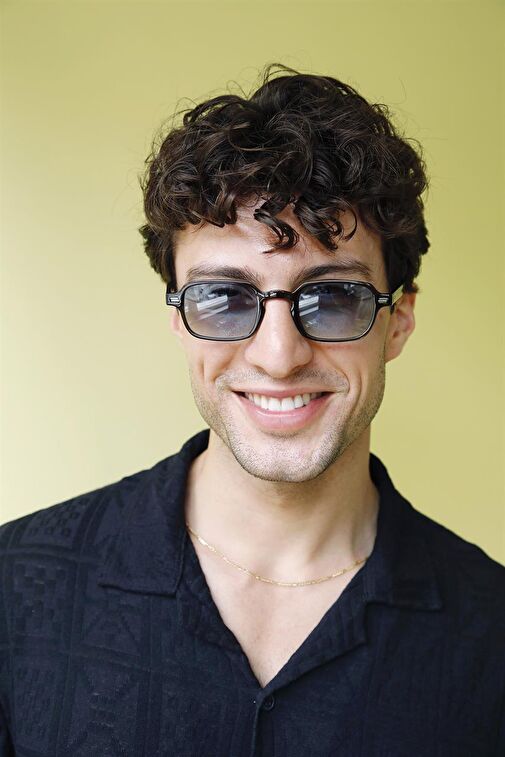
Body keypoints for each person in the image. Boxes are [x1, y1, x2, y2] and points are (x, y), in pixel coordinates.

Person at [0, 63, 504, 756]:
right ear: (178, 321)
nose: (278, 355)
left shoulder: (490, 632)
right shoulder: (14, 590)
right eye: (224, 297)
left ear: (399, 321)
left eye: (333, 297)